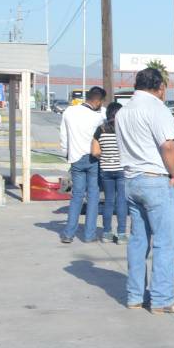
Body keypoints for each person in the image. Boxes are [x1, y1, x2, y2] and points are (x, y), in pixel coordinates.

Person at [115, 68, 174, 314]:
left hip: (132, 180)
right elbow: (168, 146)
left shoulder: (123, 111)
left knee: (138, 241)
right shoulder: (157, 108)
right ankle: (162, 299)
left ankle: (135, 296)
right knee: (165, 242)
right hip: (156, 180)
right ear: (160, 87)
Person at [59, 86, 105, 243]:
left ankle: (68, 234)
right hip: (93, 159)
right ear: (98, 101)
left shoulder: (69, 111)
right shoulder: (99, 117)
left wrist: (67, 153)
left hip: (75, 158)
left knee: (77, 196)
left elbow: (63, 136)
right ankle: (89, 235)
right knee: (93, 197)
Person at [91, 102, 128, 244]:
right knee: (121, 201)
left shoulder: (100, 130)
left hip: (106, 170)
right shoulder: (125, 130)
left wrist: (106, 157)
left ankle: (106, 233)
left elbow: (95, 152)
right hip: (122, 170)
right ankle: (121, 234)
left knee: (108, 201)